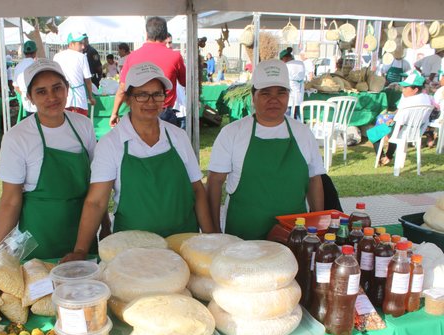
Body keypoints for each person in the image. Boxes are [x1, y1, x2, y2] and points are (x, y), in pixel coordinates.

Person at [62, 62, 214, 262]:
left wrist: (213, 241)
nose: (150, 102)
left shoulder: (178, 137)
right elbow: (96, 202)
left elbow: (197, 191)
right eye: (142, 95)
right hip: (132, 252)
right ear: (127, 99)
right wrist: (81, 250)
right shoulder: (111, 143)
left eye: (157, 94)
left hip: (183, 246)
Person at [0, 59, 102, 260]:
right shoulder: (17, 137)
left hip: (82, 238)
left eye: (57, 88)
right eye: (41, 92)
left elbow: (97, 185)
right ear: (30, 98)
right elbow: (10, 200)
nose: (51, 97)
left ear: (67, 89)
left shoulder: (83, 126)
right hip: (38, 240)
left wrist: (106, 227)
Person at [207, 59, 325, 240]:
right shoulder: (232, 133)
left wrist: (318, 228)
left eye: (281, 93)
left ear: (288, 96)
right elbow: (214, 182)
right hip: (244, 237)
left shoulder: (303, 133)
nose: (274, 100)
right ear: (253, 96)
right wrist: (214, 232)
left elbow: (314, 179)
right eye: (265, 93)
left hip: (295, 237)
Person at [110, 17, 186, 128]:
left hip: (139, 113)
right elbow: (186, 83)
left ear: (146, 34)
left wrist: (114, 113)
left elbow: (122, 88)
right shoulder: (175, 56)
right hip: (164, 112)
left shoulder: (132, 57)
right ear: (165, 35)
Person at [374, 72, 433, 165]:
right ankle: (388, 155)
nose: (403, 90)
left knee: (375, 131)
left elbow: (399, 122)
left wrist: (389, 124)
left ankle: (382, 157)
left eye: (406, 88)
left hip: (402, 130)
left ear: (415, 90)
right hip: (416, 131)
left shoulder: (408, 102)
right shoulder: (427, 99)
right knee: (388, 124)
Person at [53, 32, 96, 116]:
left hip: (62, 98)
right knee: (79, 125)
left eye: (83, 44)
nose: (83, 47)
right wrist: (91, 96)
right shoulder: (82, 57)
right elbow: (87, 79)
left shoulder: (57, 56)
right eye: (80, 44)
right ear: (71, 44)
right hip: (78, 99)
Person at [279, 47, 305, 120]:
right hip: (300, 93)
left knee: (288, 116)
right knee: (297, 115)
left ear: (283, 58)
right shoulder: (301, 63)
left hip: (290, 96)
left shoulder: (286, 66)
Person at [13, 40, 38, 116]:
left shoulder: (18, 66)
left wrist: (24, 94)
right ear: (35, 52)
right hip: (38, 100)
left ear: (24, 52)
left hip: (26, 102)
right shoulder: (37, 65)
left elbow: (15, 86)